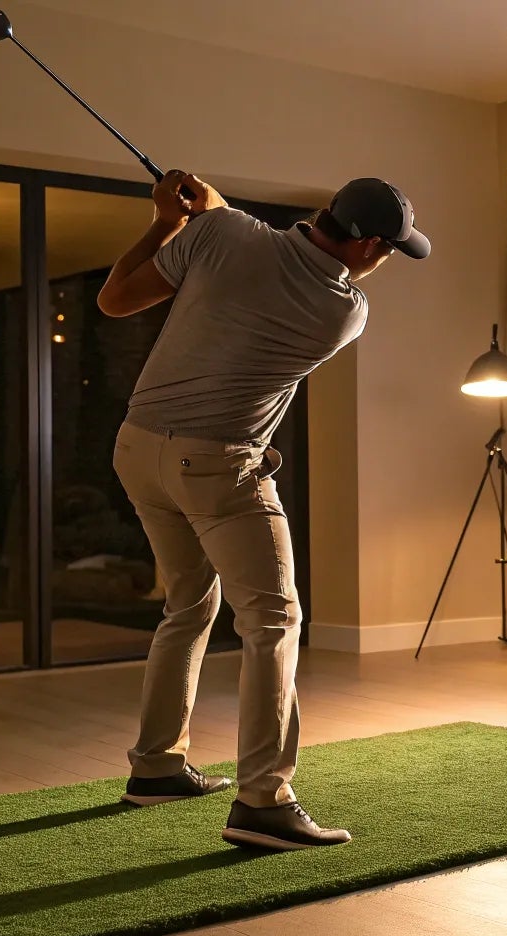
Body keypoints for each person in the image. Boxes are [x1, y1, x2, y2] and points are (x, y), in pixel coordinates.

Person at [97, 169, 430, 850]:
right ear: (366, 245)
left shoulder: (219, 233)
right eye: (391, 248)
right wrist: (216, 214)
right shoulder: (344, 310)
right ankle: (264, 800)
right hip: (218, 465)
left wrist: (169, 220)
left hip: (137, 449)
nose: (388, 260)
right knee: (274, 620)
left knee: (188, 602)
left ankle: (156, 766)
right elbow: (265, 254)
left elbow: (116, 299)